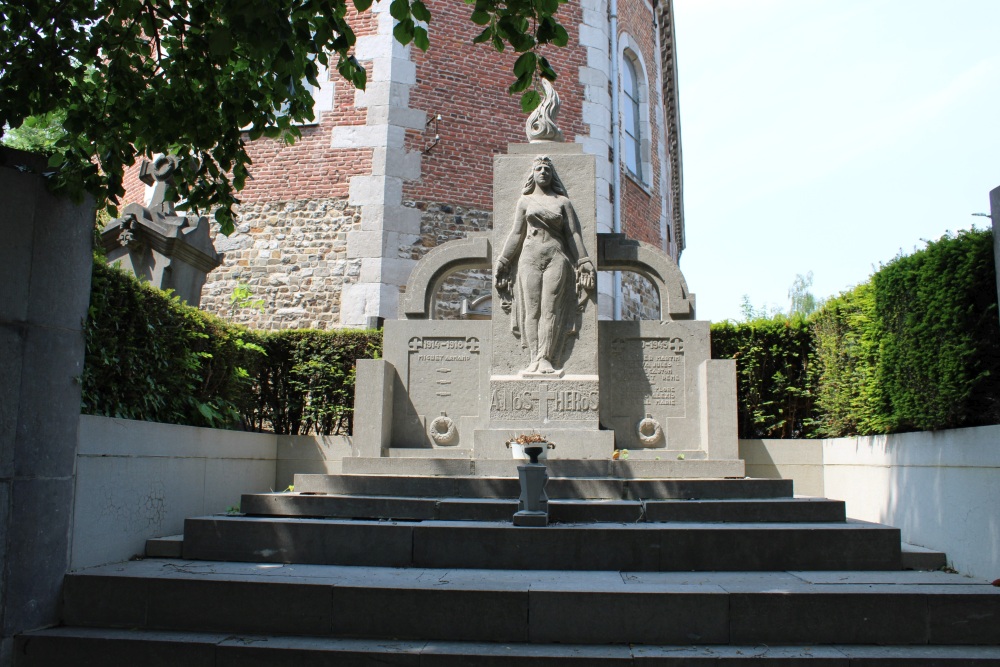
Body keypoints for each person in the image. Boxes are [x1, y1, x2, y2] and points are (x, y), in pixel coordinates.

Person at [495, 155, 596, 374]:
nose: (543, 172)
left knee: (550, 309)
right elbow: (516, 234)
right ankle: (533, 358)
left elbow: (573, 234)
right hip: (529, 256)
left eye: (547, 169)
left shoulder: (562, 202)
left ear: (552, 175)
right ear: (532, 174)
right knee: (532, 311)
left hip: (556, 256)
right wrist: (503, 261)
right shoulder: (525, 201)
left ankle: (546, 358)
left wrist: (584, 260)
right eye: (538, 168)